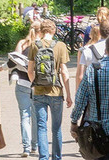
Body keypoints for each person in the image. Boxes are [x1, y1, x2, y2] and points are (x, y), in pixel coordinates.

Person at [28, 19, 73, 160]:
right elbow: (64, 72)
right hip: (56, 92)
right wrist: (69, 95)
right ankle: (57, 157)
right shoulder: (60, 46)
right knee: (56, 128)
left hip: (39, 92)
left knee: (41, 127)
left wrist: (35, 83)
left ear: (41, 31)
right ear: (53, 31)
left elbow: (30, 70)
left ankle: (43, 158)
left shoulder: (34, 45)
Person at [0, 22, 41, 157]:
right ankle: (35, 146)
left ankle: (26, 148)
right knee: (36, 116)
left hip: (22, 83)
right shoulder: (44, 44)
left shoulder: (22, 43)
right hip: (38, 85)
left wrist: (0, 69)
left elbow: (13, 61)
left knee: (25, 115)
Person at [77, 20, 109, 93]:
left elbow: (81, 76)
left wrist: (79, 95)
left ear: (100, 32)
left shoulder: (87, 51)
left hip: (95, 95)